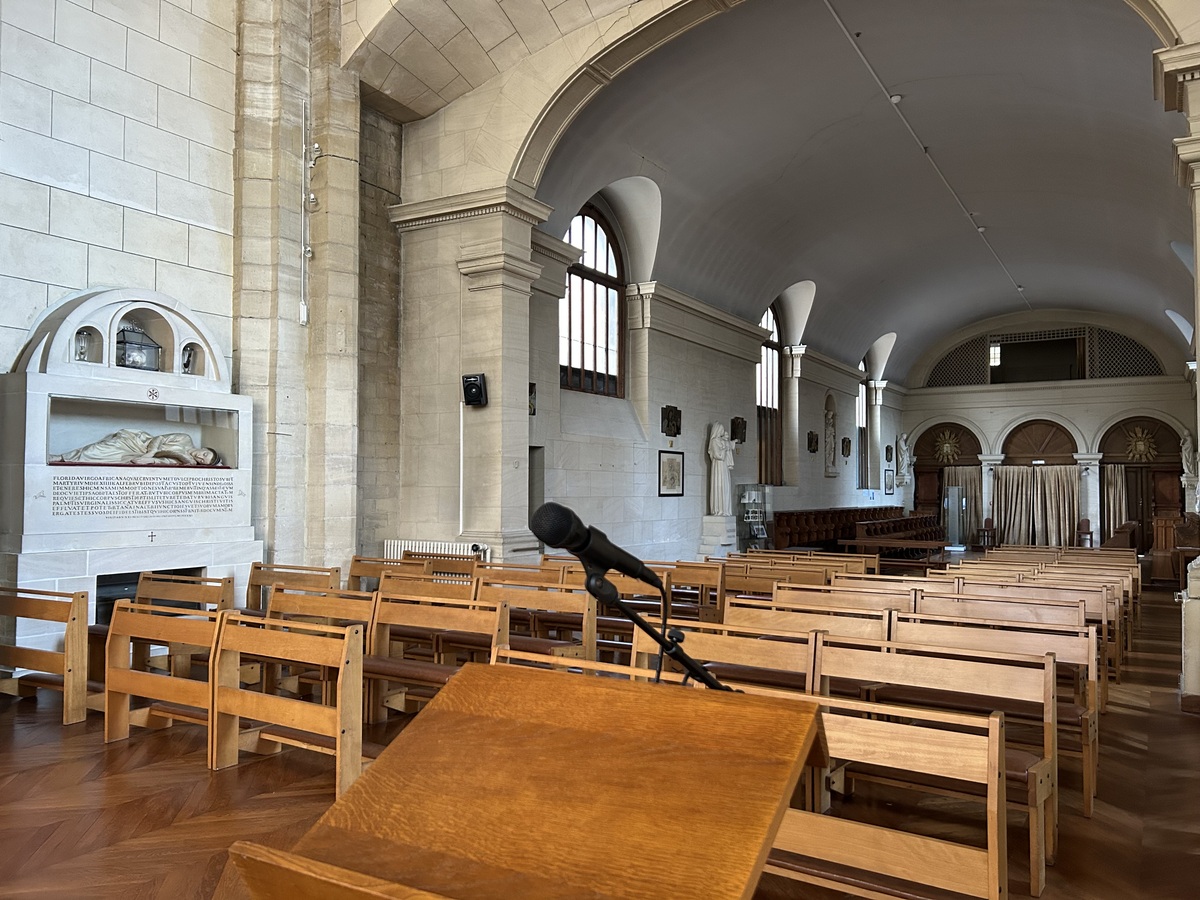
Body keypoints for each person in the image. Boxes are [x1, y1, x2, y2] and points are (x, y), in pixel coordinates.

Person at [50, 429, 221, 466]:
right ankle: (60, 457)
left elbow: (167, 461)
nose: (200, 457)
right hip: (139, 443)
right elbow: (160, 438)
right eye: (204, 454)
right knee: (99, 449)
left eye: (203, 460)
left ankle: (63, 459)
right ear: (204, 448)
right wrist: (151, 453)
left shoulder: (188, 461)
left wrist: (150, 460)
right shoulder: (185, 438)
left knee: (110, 460)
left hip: (140, 456)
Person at [707, 422, 735, 516]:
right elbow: (718, 455)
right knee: (719, 486)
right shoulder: (714, 441)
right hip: (718, 467)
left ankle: (725, 509)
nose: (723, 432)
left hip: (724, 467)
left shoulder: (722, 441)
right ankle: (719, 509)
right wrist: (725, 448)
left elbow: (729, 445)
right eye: (722, 430)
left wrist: (730, 444)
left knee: (725, 486)